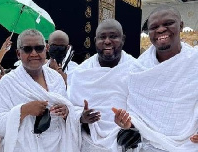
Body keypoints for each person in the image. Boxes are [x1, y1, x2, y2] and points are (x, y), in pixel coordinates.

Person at [113, 5, 198, 152]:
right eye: (154, 27)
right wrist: (128, 125)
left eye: (168, 24)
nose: (160, 30)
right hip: (148, 145)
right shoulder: (138, 69)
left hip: (189, 144)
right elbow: (137, 116)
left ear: (181, 26)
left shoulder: (194, 61)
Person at [0, 29, 80, 152]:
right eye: (27, 49)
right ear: (18, 53)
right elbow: (0, 125)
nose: (34, 53)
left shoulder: (56, 78)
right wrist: (24, 110)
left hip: (57, 146)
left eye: (39, 48)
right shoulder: (7, 82)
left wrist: (66, 112)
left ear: (46, 49)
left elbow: (68, 110)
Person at [68, 19, 141, 152]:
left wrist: (130, 124)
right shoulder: (81, 72)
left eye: (113, 36)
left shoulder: (137, 70)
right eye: (102, 37)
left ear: (123, 39)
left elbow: (145, 111)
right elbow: (71, 109)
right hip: (89, 144)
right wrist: (82, 117)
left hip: (125, 143)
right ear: (95, 40)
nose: (107, 41)